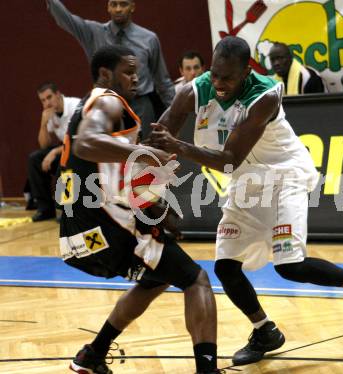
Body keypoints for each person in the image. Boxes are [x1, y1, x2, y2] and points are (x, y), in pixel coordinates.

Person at [149, 36, 343, 367]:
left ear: (245, 71)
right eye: (215, 74)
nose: (219, 84)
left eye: (228, 78)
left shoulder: (264, 96)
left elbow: (228, 159)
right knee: (226, 267)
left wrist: (177, 146)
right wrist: (149, 192)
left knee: (290, 266)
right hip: (245, 183)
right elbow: (157, 142)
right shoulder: (194, 90)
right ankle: (265, 331)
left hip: (283, 177)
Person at [58, 45, 220, 374]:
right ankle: (207, 370)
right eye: (128, 72)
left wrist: (156, 210)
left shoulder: (90, 108)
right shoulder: (106, 101)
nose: (136, 77)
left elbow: (111, 178)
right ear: (105, 74)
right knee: (197, 280)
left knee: (156, 280)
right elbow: (86, 144)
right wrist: (142, 152)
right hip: (107, 227)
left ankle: (92, 354)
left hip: (80, 234)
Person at [46, 0, 175, 138]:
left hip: (140, 105)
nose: (118, 9)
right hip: (106, 105)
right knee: (108, 155)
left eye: (123, 4)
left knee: (143, 155)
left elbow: (163, 81)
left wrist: (176, 112)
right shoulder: (93, 33)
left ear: (132, 6)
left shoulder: (149, 39)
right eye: (114, 4)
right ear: (108, 7)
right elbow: (66, 19)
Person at [28, 82, 80, 221]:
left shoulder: (75, 106)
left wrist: (54, 152)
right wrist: (43, 123)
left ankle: (67, 208)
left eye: (49, 97)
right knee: (35, 159)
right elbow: (44, 145)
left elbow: (77, 140)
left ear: (58, 94)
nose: (47, 103)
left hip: (81, 151)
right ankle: (45, 209)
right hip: (65, 149)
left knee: (66, 159)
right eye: (43, 100)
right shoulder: (50, 113)